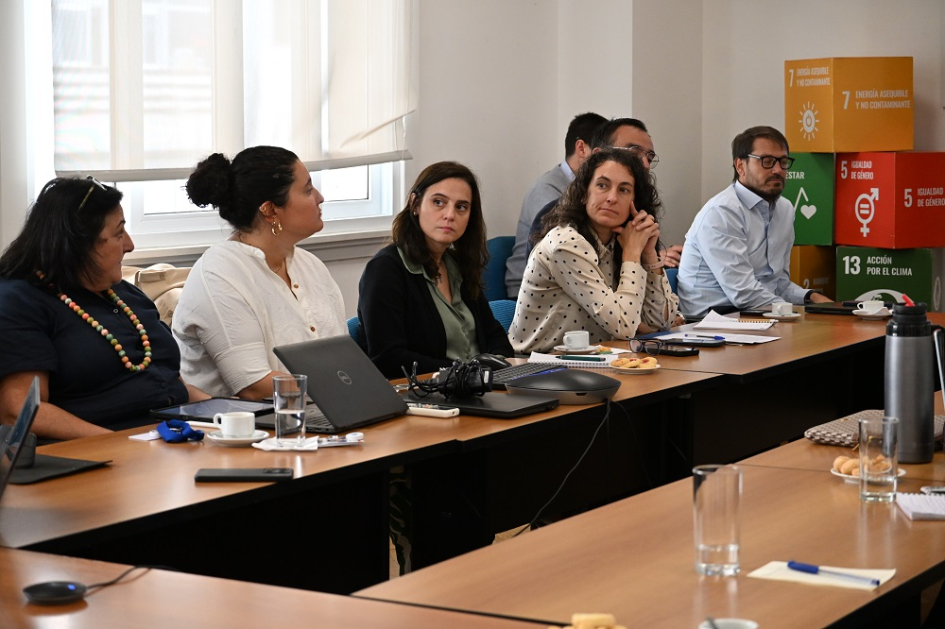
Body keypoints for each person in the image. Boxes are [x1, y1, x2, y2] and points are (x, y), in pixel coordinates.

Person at [0, 178, 207, 440]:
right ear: (77, 245)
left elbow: (170, 383)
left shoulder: (123, 293)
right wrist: (118, 445)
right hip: (100, 453)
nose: (130, 245)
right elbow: (19, 411)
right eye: (119, 234)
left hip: (171, 435)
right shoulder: (21, 301)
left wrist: (226, 412)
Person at [173, 146, 346, 399]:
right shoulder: (219, 273)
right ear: (270, 210)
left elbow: (341, 362)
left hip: (321, 416)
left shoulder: (311, 266)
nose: (320, 197)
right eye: (307, 190)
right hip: (248, 429)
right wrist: (345, 387)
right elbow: (253, 386)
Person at [509, 149, 679, 354]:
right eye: (602, 186)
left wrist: (649, 254)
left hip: (596, 359)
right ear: (583, 194)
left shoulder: (622, 241)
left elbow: (662, 323)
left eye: (624, 190)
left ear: (636, 203)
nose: (611, 198)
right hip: (540, 367)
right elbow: (624, 327)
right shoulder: (565, 244)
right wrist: (633, 255)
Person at [358, 161, 513, 379]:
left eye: (461, 207)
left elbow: (493, 334)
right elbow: (388, 358)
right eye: (439, 202)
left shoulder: (457, 264)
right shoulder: (385, 269)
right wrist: (463, 373)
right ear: (415, 204)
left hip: (479, 388)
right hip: (427, 396)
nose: (450, 215)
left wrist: (498, 364)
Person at [676, 126, 833, 318]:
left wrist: (812, 297)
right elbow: (743, 293)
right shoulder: (722, 212)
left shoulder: (785, 209)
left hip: (759, 315)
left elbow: (778, 283)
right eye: (767, 161)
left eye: (783, 162)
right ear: (740, 166)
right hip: (709, 323)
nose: (778, 170)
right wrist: (797, 316)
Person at [525, 117, 683, 268]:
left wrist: (651, 257)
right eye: (635, 153)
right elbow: (610, 297)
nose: (645, 164)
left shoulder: (638, 219)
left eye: (649, 158)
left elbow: (656, 296)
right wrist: (632, 254)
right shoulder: (557, 221)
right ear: (598, 156)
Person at [504, 112, 606, 298]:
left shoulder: (588, 188)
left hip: (573, 282)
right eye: (603, 153)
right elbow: (566, 250)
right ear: (582, 148)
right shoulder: (546, 189)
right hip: (530, 293)